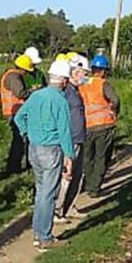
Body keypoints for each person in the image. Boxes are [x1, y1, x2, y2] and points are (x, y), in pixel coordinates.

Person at [13, 59, 75, 249]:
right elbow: (64, 131)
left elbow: (19, 117)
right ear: (64, 80)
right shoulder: (60, 101)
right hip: (51, 150)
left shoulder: (36, 96)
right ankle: (45, 237)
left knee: (41, 192)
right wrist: (69, 157)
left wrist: (27, 132)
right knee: (49, 193)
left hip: (34, 148)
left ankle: (38, 233)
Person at [79, 54, 120, 195]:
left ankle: (86, 184)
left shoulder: (82, 83)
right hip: (103, 126)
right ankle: (94, 188)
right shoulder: (103, 84)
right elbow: (115, 100)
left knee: (87, 157)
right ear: (102, 71)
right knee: (101, 158)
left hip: (86, 126)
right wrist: (114, 112)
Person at [56, 54, 89, 220]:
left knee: (77, 175)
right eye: (84, 73)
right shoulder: (66, 92)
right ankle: (58, 209)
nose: (86, 77)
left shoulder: (75, 91)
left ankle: (69, 207)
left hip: (79, 138)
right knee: (66, 176)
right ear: (75, 73)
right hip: (69, 140)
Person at [0, 54, 35, 174]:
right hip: (14, 112)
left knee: (19, 140)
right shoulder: (14, 77)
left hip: (15, 111)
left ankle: (15, 167)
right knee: (19, 140)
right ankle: (14, 167)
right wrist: (33, 91)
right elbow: (20, 93)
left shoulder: (11, 75)